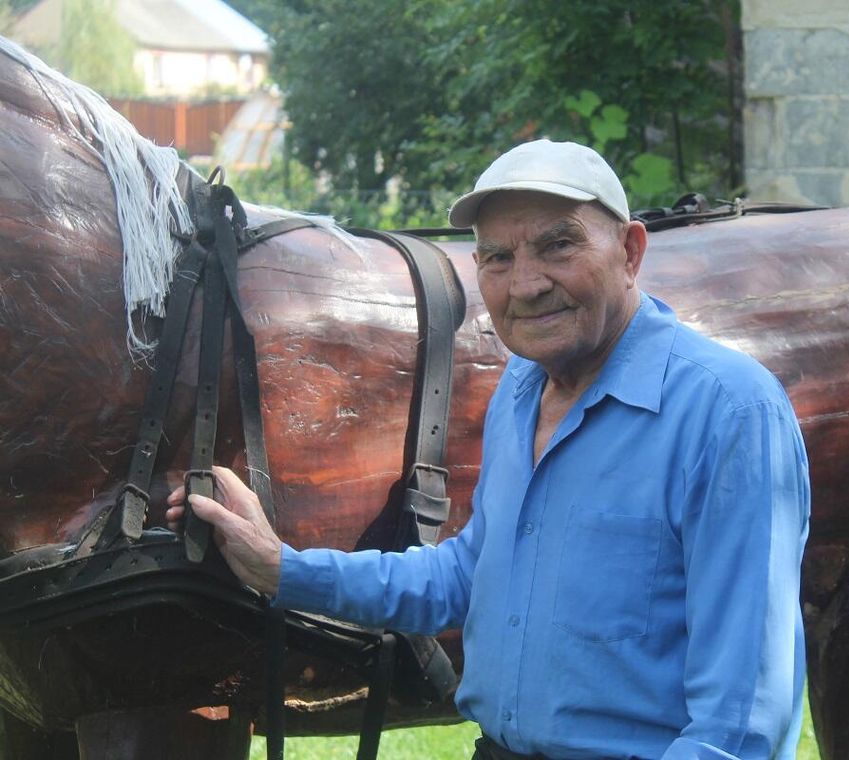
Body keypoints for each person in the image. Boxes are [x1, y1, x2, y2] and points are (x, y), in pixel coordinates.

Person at [167, 139, 811, 760]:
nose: (525, 284)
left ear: (631, 251)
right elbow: (469, 577)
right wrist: (281, 568)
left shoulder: (728, 411)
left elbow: (740, 722)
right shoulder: (522, 391)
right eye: (497, 257)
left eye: (558, 245)